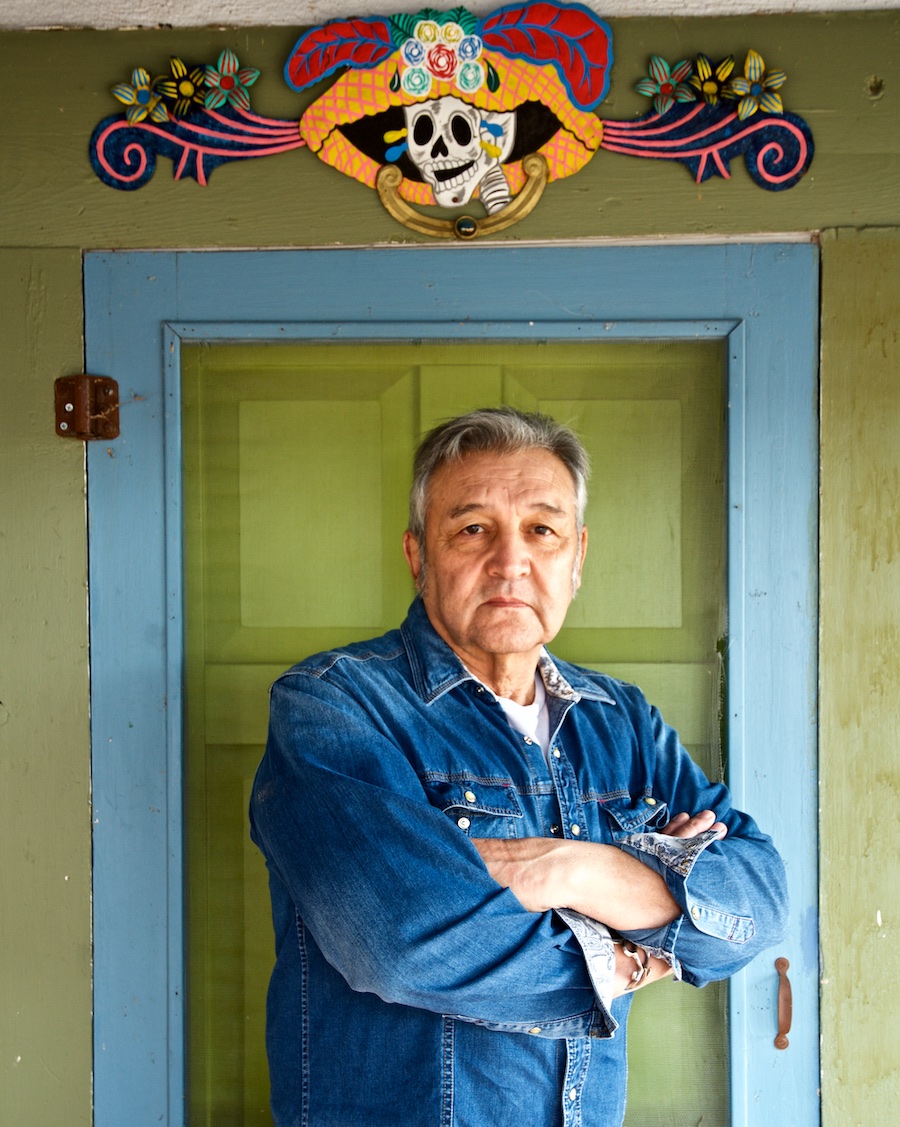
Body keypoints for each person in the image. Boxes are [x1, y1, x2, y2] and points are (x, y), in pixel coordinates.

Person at [250, 406, 788, 1127]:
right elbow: (403, 940)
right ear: (417, 555)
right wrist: (631, 947)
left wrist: (569, 869)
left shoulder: (620, 719)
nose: (511, 561)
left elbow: (756, 901)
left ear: (578, 557)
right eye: (472, 529)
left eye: (542, 529)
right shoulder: (334, 704)